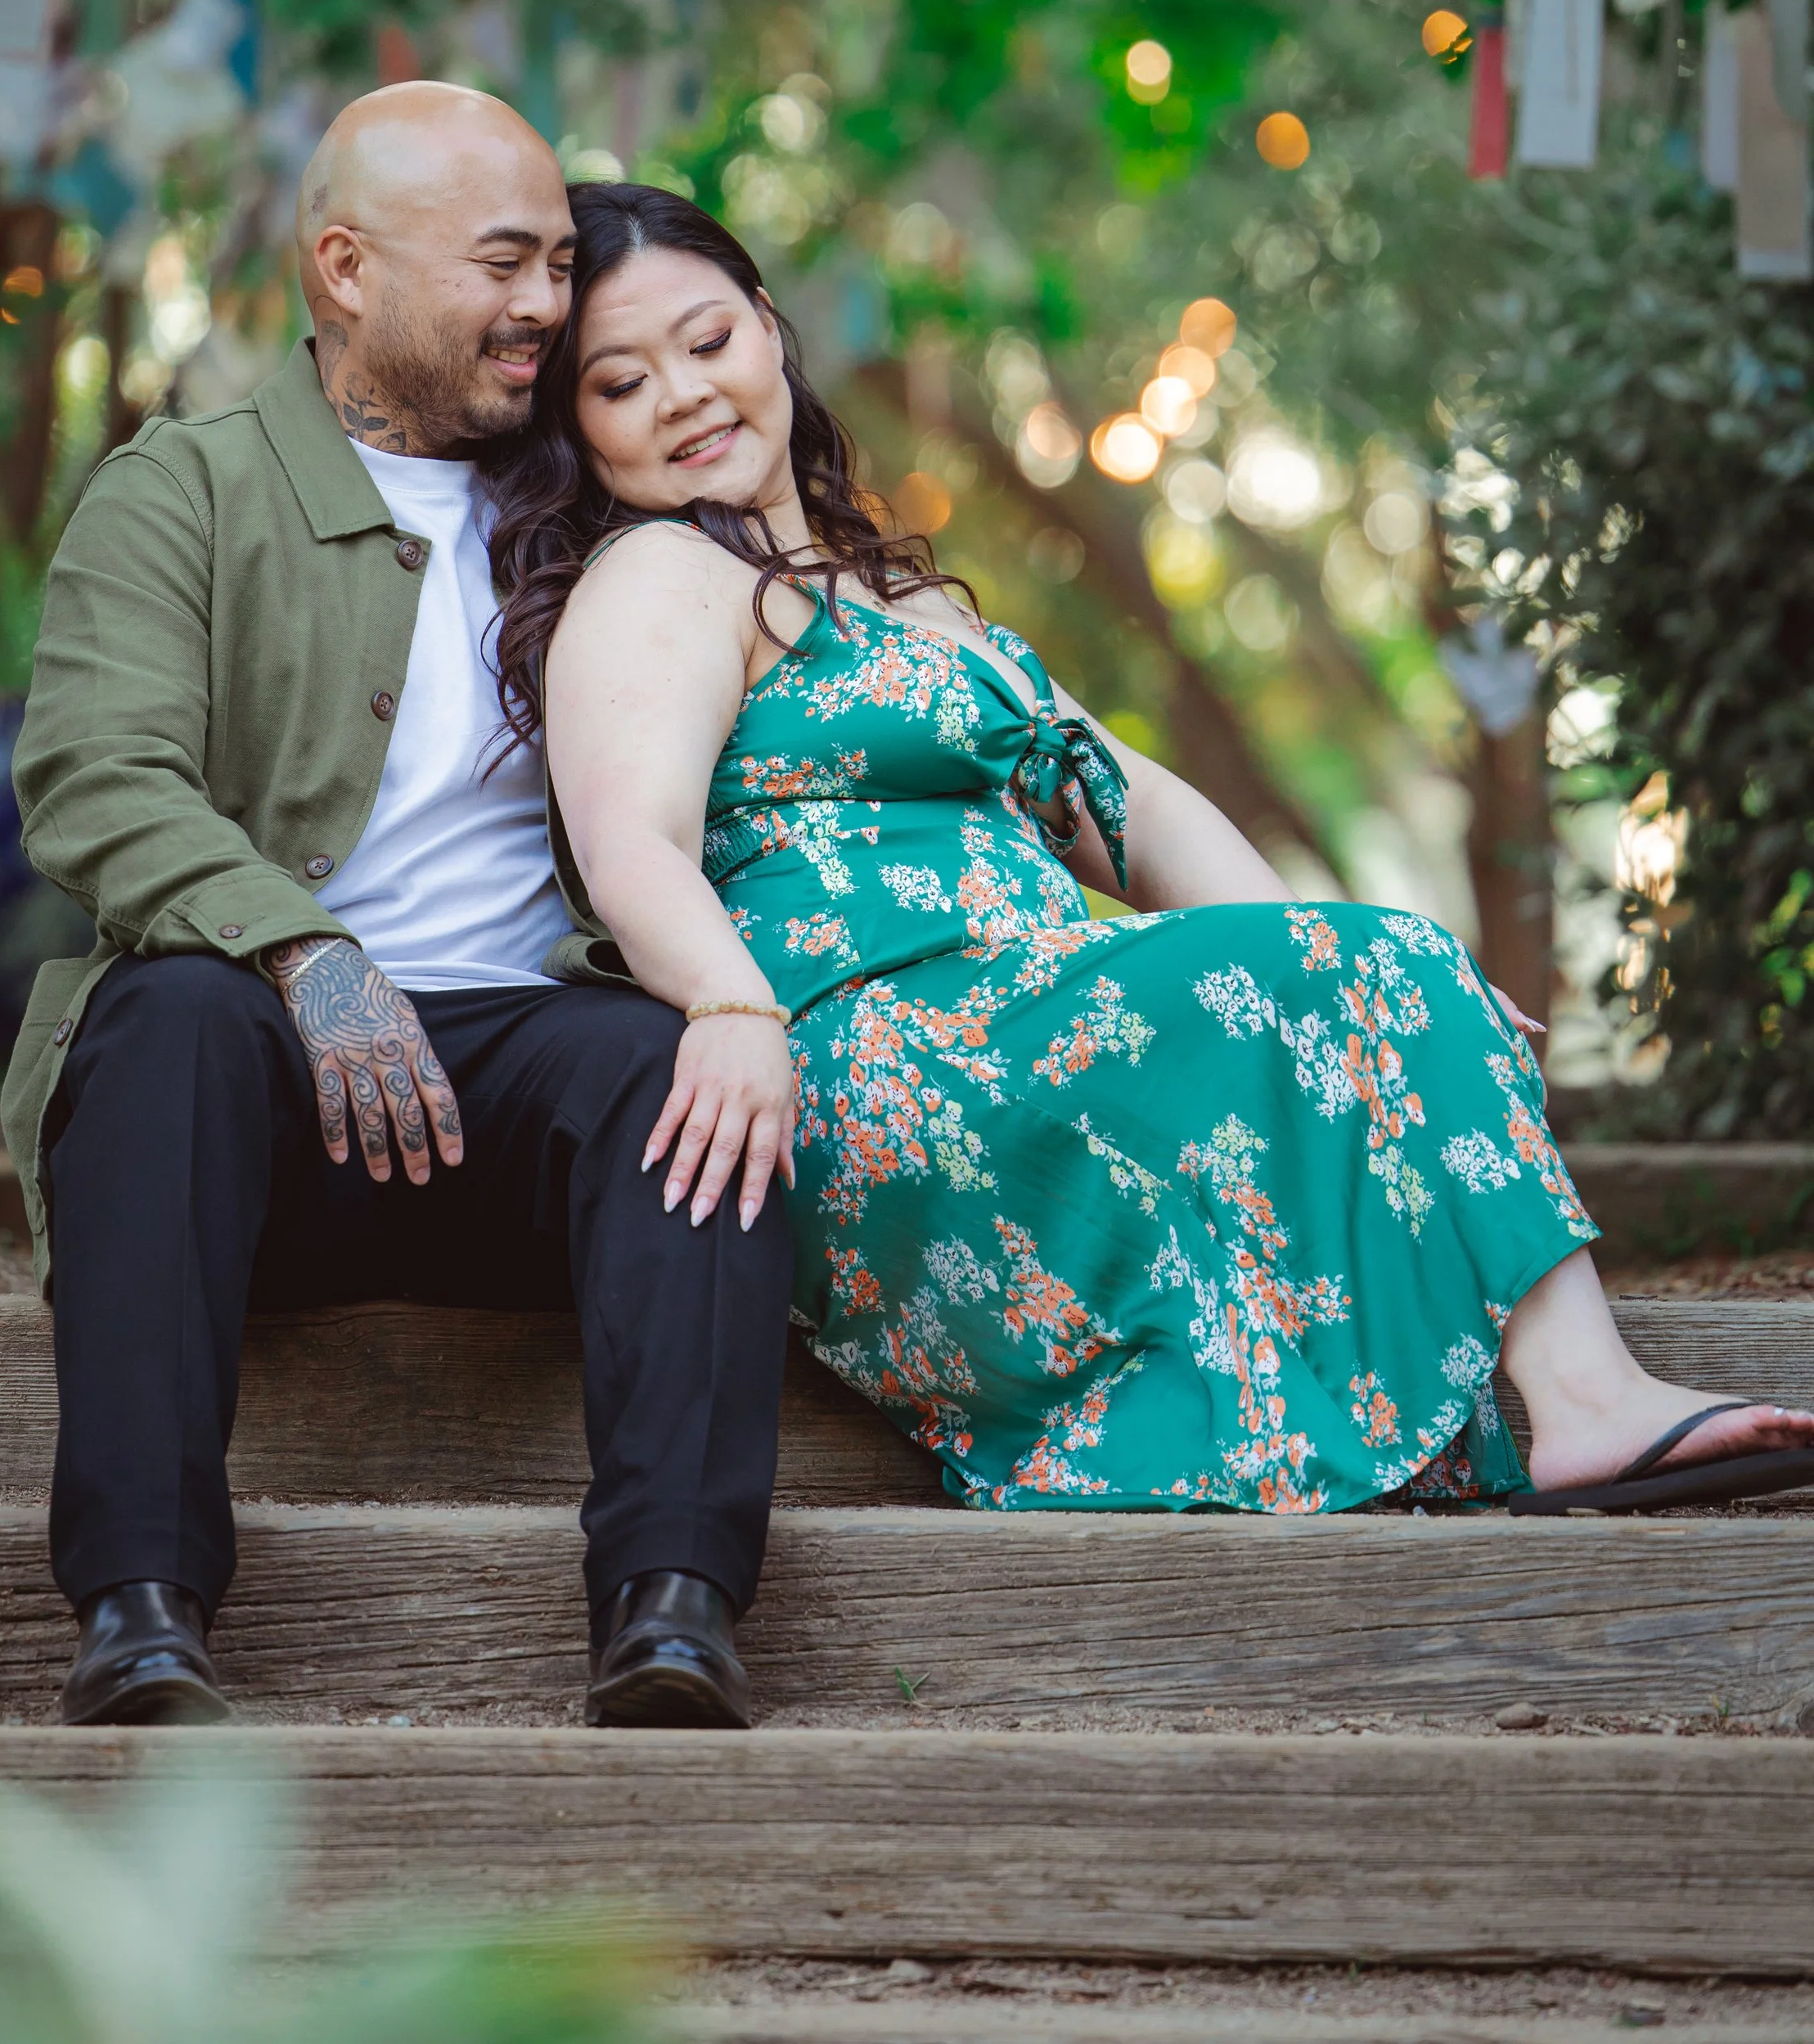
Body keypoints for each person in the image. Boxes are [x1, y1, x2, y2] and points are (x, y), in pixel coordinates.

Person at [484, 182, 1814, 1521]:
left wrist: (1361, 996)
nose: (682, 394)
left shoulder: (899, 594)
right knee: (1377, 963)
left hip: (1032, 1023)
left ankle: (1577, 1396)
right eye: (619, 381)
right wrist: (727, 1005)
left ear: (770, 330)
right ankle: (1589, 1402)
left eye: (707, 341)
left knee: (1384, 966)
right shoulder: (659, 577)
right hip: (870, 1062)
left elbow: (1136, 807)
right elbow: (629, 843)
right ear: (580, 427)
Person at [4, 90, 791, 1731]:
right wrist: (304, 948)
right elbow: (95, 778)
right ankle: (140, 1603)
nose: (544, 306)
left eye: (557, 266)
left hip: (524, 1095)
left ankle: (674, 1602)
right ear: (346, 268)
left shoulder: (594, 505)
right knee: (164, 1015)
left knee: (673, 1062)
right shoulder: (185, 492)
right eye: (503, 262)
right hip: (262, 1100)